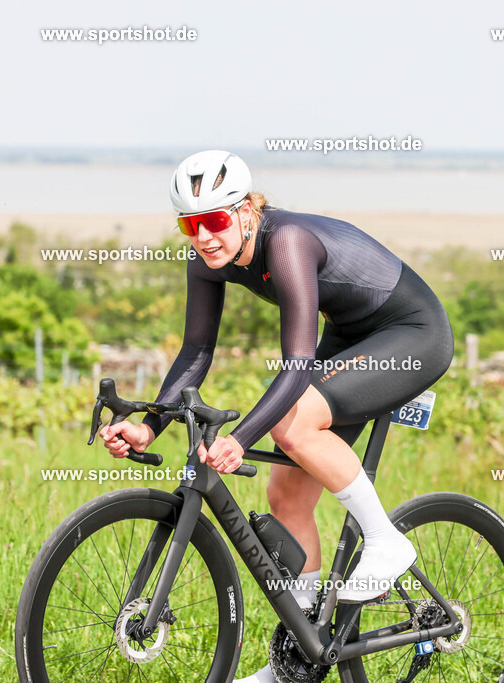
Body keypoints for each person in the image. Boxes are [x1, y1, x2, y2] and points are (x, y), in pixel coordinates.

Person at [99, 150, 454, 682]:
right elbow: (196, 351)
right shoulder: (205, 258)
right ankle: (303, 655)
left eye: (215, 220)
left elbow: (296, 366)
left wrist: (240, 439)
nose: (204, 237)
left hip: (411, 334)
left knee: (290, 425)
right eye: (189, 224)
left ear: (246, 211)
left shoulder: (286, 241)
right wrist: (149, 424)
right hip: (352, 338)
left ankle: (386, 541)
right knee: (285, 495)